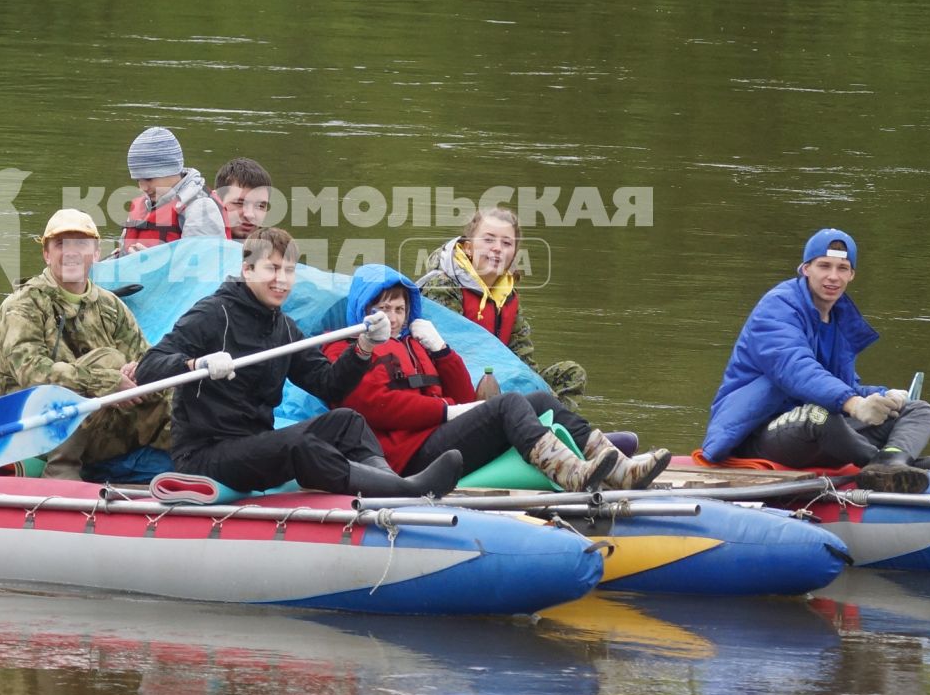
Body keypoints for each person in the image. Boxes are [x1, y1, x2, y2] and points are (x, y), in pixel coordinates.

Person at [134, 228, 466, 498]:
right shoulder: (212, 313)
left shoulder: (283, 327)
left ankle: (392, 488)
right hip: (204, 454)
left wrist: (363, 348)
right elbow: (150, 366)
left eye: (289, 271)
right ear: (247, 270)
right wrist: (196, 365)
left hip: (251, 442)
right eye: (272, 269)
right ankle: (408, 491)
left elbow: (328, 384)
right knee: (297, 445)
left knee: (347, 421)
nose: (282, 280)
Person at [324, 266, 672, 492]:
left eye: (399, 309)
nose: (393, 318)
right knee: (507, 405)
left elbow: (464, 395)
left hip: (438, 435)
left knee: (540, 399)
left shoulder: (415, 343)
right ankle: (570, 473)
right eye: (383, 309)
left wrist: (443, 351)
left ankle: (619, 469)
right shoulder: (346, 350)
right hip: (409, 459)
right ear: (364, 311)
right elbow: (377, 407)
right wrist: (446, 412)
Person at [698, 228, 930, 492]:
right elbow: (796, 370)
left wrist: (883, 396)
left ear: (852, 275)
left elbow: (842, 385)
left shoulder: (839, 318)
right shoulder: (777, 307)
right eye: (824, 266)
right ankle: (884, 463)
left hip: (819, 429)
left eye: (842, 268)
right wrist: (854, 403)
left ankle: (893, 460)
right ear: (805, 269)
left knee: (918, 409)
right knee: (821, 416)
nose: (833, 276)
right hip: (759, 433)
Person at [0, 209, 171, 480]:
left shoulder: (111, 306)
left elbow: (145, 358)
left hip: (102, 425)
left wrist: (139, 372)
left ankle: (202, 455)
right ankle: (60, 473)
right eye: (61, 244)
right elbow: (33, 375)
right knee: (108, 361)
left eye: (81, 244)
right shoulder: (22, 307)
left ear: (96, 254)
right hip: (31, 428)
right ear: (47, 254)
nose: (71, 252)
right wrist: (107, 380)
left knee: (167, 380)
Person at [417, 206, 587, 407]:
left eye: (506, 243)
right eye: (488, 240)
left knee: (571, 373)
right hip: (454, 386)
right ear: (469, 247)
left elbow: (522, 359)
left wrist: (539, 388)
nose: (497, 248)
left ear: (513, 254)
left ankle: (555, 426)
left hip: (501, 385)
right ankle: (539, 425)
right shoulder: (443, 285)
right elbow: (448, 355)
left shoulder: (508, 296)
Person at [120, 126, 226, 251]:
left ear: (171, 170)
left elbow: (204, 265)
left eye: (149, 179)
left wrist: (152, 262)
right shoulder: (146, 203)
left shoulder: (200, 208)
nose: (143, 187)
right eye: (138, 180)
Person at [212, 157, 273, 242]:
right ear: (217, 201)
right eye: (239, 203)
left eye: (260, 206)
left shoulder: (274, 251)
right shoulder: (194, 245)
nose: (250, 215)